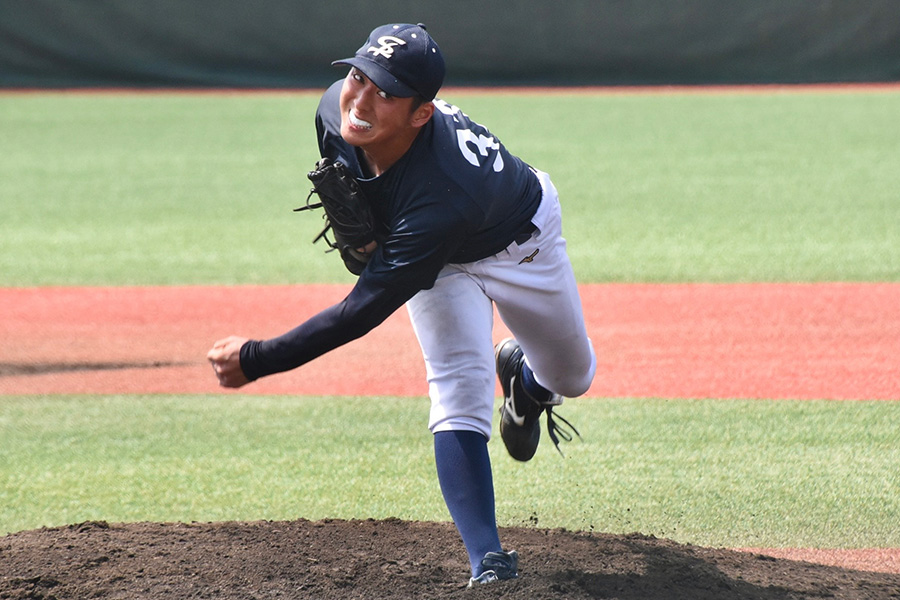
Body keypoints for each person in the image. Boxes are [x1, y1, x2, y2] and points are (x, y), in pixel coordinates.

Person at [207, 23, 596, 587]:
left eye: (384, 92)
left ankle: (526, 384)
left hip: (519, 241)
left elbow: (360, 311)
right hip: (430, 251)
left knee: (574, 375)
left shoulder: (444, 194)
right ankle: (487, 561)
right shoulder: (332, 114)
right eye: (358, 77)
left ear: (421, 113)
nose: (359, 100)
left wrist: (260, 358)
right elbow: (367, 205)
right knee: (457, 386)